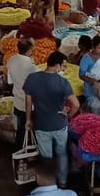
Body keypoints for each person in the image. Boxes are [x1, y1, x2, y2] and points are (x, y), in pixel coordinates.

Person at [23, 51, 79, 188]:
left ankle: (48, 182)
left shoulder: (32, 78)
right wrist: (69, 115)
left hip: (42, 125)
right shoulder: (63, 83)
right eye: (63, 66)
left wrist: (28, 120)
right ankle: (63, 181)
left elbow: (28, 103)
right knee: (62, 153)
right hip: (60, 124)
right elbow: (76, 104)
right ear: (57, 65)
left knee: (46, 156)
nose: (64, 69)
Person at [7, 37, 38, 152]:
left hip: (17, 102)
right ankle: (32, 152)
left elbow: (9, 81)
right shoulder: (32, 67)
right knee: (32, 128)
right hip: (31, 105)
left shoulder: (11, 60)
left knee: (20, 129)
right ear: (29, 51)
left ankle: (19, 150)